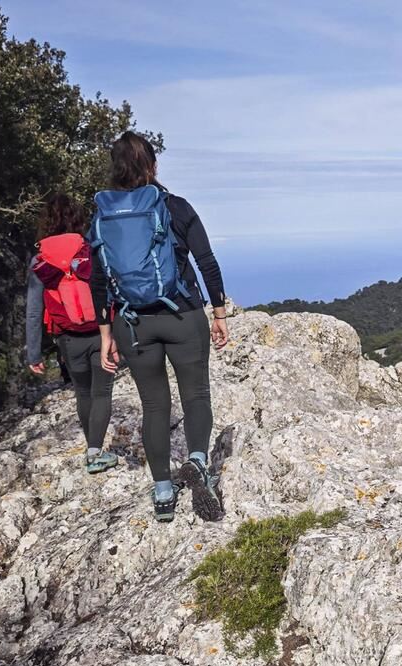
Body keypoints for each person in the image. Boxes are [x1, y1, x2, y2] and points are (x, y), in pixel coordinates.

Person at [90, 131, 229, 523]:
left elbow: (98, 279)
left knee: (154, 405)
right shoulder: (175, 207)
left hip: (132, 323)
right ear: (153, 165)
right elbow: (207, 262)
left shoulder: (102, 216)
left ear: (115, 169)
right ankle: (198, 462)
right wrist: (219, 314)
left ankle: (163, 493)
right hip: (183, 315)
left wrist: (105, 335)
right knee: (196, 394)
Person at [25, 193, 118, 473]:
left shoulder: (40, 260)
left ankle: (92, 450)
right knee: (102, 392)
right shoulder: (91, 249)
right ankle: (95, 453)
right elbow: (113, 291)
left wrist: (34, 353)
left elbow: (34, 310)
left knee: (83, 392)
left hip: (68, 339)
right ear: (78, 218)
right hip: (101, 332)